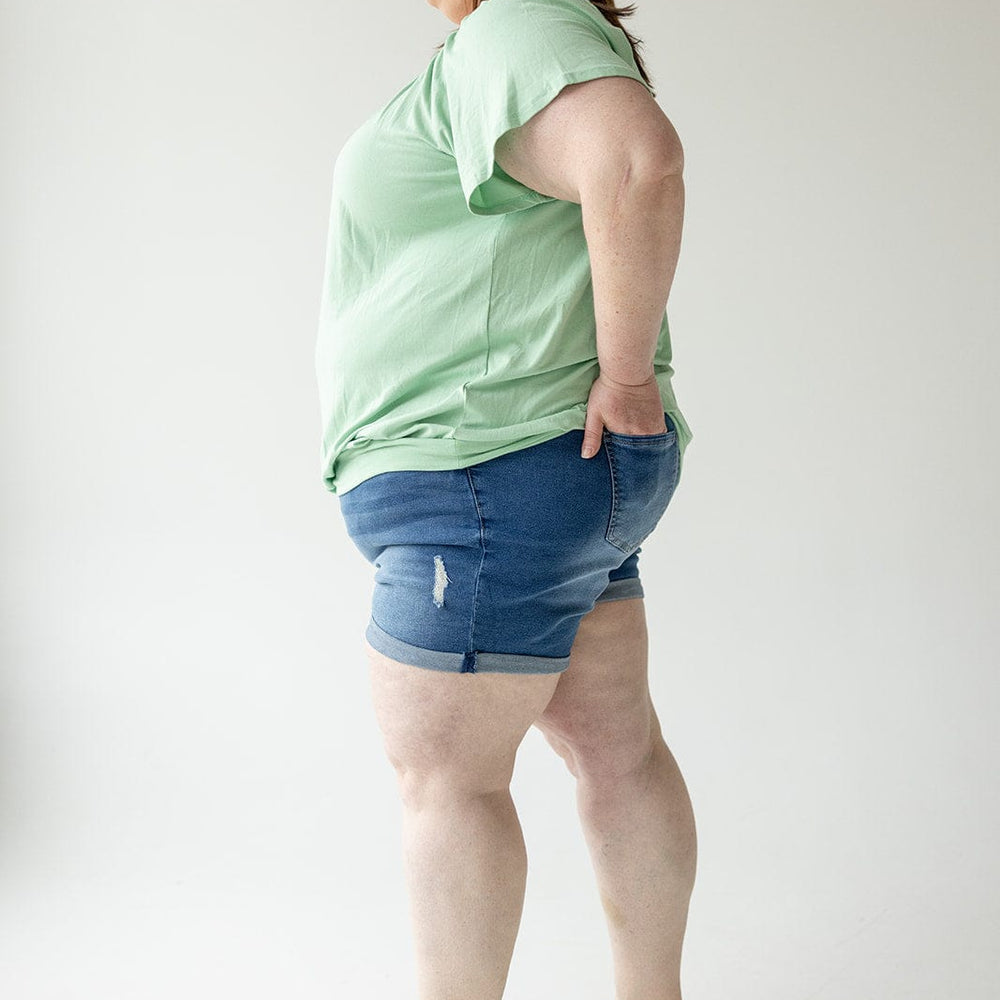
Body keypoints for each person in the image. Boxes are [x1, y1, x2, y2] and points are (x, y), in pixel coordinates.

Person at [314, 0, 697, 996]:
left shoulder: (515, 24)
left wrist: (624, 377)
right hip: (531, 476)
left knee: (446, 784)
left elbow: (636, 160)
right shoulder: (525, 35)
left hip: (484, 478)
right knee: (619, 751)